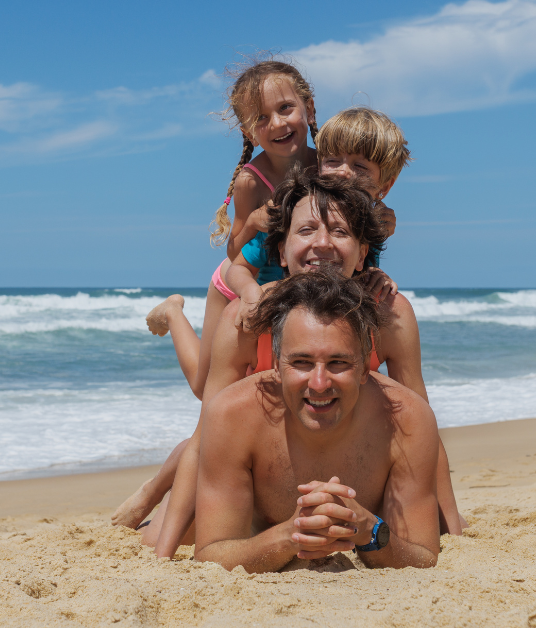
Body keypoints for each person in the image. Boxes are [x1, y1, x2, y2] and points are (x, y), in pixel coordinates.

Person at [149, 170, 466, 557]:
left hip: (343, 455)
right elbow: (206, 437)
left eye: (339, 231)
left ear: (363, 252)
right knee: (165, 527)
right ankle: (173, 313)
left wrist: (452, 526)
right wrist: (163, 550)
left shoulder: (390, 314)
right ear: (280, 251)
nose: (322, 243)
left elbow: (421, 426)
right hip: (258, 462)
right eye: (307, 230)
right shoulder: (246, 316)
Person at [194, 270, 441, 573]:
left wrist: (368, 530)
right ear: (276, 364)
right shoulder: (231, 415)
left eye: (338, 363)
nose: (320, 383)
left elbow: (424, 557)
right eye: (301, 362)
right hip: (259, 538)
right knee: (150, 536)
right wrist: (291, 535)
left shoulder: (408, 419)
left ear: (364, 366)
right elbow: (210, 554)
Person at [143, 57, 318, 402]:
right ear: (248, 132)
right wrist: (252, 222)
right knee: (204, 388)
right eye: (261, 119)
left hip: (289, 285)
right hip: (237, 283)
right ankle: (174, 312)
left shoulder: (327, 164)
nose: (277, 123)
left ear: (309, 109)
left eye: (285, 108)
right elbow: (234, 250)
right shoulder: (251, 181)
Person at [225, 106, 410, 321]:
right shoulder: (292, 212)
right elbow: (237, 269)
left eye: (359, 166)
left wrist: (375, 277)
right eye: (332, 161)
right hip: (276, 307)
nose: (343, 171)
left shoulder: (372, 224)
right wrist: (250, 293)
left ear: (385, 187)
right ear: (319, 165)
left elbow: (358, 270)